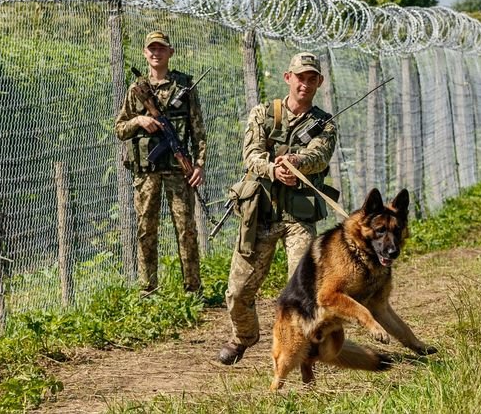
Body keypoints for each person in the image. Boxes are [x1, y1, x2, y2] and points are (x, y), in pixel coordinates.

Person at [218, 51, 337, 365]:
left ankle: (300, 348)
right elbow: (251, 155)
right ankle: (243, 336)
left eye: (312, 79)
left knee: (301, 290)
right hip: (261, 214)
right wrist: (273, 170)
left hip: (299, 217)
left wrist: (296, 162)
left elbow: (320, 156)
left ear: (319, 83)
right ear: (288, 78)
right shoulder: (263, 114)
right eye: (300, 77)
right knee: (238, 292)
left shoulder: (324, 124)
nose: (305, 84)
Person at [114, 30, 207, 296]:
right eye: (151, 49)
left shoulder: (184, 87)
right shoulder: (137, 90)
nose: (156, 53)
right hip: (146, 174)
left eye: (161, 48)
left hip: (178, 172)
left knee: (186, 231)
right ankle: (148, 290)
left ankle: (193, 290)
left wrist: (198, 165)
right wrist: (139, 121)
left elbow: (198, 130)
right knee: (146, 231)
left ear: (170, 52)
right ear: (145, 53)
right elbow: (120, 128)